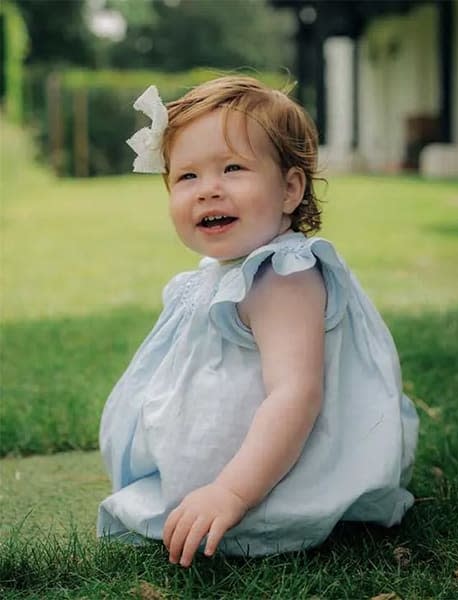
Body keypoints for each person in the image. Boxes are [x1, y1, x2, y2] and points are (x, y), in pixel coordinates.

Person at [97, 76, 419, 568]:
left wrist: (229, 491)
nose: (209, 190)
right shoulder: (224, 273)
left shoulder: (283, 275)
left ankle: (242, 503)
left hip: (266, 476)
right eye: (187, 177)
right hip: (245, 467)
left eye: (232, 168)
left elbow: (296, 393)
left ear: (290, 188)